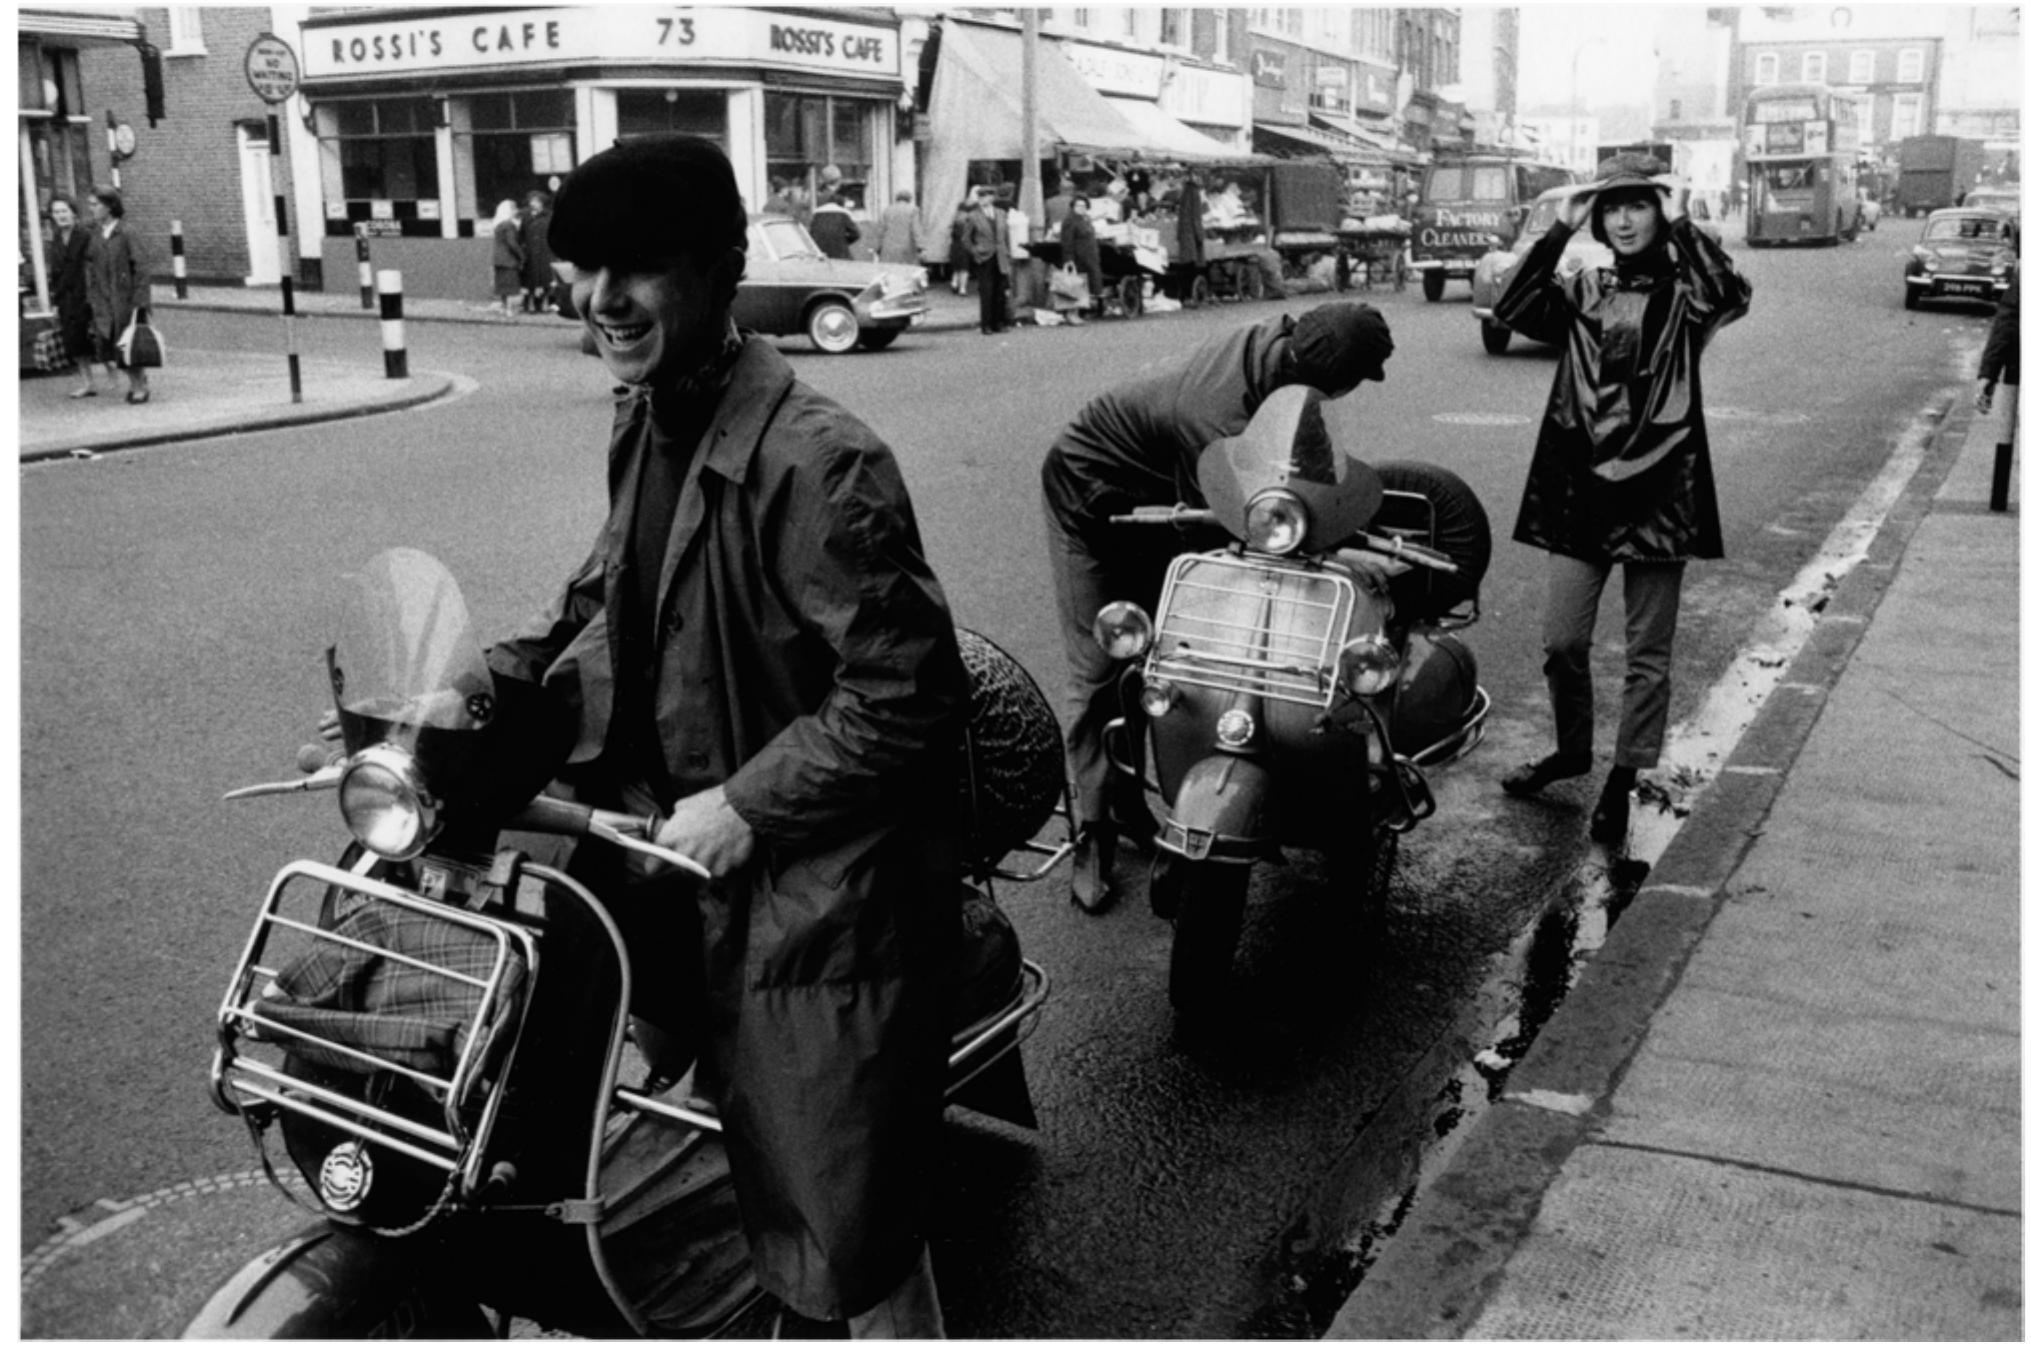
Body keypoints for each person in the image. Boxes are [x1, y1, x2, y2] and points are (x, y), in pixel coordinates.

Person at [485, 135, 965, 1338]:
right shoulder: (647, 418)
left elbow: (905, 693)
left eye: (636, 268)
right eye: (584, 269)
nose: (604, 300)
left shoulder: (822, 461)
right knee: (527, 1084)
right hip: (671, 856)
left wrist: (748, 805)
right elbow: (603, 599)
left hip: (814, 894)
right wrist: (469, 697)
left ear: (720, 267)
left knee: (841, 1235)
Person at [1039, 303, 1396, 909]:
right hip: (1093, 501)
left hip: (1163, 498)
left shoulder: (1283, 357)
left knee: (1173, 658)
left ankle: (1135, 805)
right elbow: (1244, 524)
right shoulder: (1215, 414)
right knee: (1105, 668)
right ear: (1332, 375)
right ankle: (1092, 831)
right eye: (1355, 383)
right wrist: (1339, 556)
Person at [1492, 152, 1752, 845]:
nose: (1624, 217)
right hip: (1581, 488)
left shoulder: (1686, 293)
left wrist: (1684, 225)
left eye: (1638, 204)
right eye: (1612, 207)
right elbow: (1514, 306)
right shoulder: (1583, 284)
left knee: (1647, 653)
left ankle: (1620, 777)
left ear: (1658, 213)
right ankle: (1572, 749)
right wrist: (1556, 231)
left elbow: (1728, 293)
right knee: (1561, 640)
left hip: (1660, 489)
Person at [84, 188, 149, 404]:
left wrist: (140, 303)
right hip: (103, 301)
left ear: (109, 206)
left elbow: (141, 268)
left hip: (125, 300)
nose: (91, 209)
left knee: (130, 343)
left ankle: (139, 386)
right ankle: (137, 381)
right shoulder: (96, 234)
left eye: (95, 204)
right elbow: (91, 265)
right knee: (113, 346)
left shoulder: (127, 232)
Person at [48, 196, 103, 399]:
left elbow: (95, 265)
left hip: (86, 294)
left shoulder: (85, 235)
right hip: (66, 298)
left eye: (64, 211)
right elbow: (55, 272)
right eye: (56, 212)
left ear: (73, 212)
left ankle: (119, 374)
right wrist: (55, 300)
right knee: (75, 340)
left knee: (100, 337)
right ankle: (88, 382)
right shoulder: (55, 238)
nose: (61, 216)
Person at [963, 186, 1013, 334]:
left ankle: (1000, 323)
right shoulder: (973, 216)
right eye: (982, 197)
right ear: (979, 199)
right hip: (984, 257)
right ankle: (986, 324)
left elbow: (1006, 235)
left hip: (1000, 256)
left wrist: (1007, 252)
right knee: (987, 291)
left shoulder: (1001, 213)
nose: (986, 199)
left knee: (1001, 291)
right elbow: (966, 239)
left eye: (989, 196)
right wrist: (975, 252)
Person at [1060, 193, 1104, 324]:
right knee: (1075, 285)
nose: (1081, 207)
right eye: (1078, 205)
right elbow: (1067, 241)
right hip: (1078, 258)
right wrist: (1069, 259)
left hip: (1089, 257)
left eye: (1084, 205)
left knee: (1083, 286)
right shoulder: (1070, 220)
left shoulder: (1085, 218)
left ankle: (1079, 313)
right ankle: (1072, 314)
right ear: (1073, 206)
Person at [1172, 169, 1208, 307]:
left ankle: (1184, 295)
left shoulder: (1185, 193)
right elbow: (1196, 217)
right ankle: (1189, 295)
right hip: (1190, 234)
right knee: (1192, 265)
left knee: (1185, 265)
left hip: (1184, 233)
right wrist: (1200, 236)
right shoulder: (1194, 194)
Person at [519, 190, 554, 313]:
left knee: (543, 280)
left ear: (541, 203)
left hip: (544, 253)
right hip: (530, 254)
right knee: (529, 280)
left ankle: (541, 305)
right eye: (531, 201)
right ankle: (527, 305)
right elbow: (521, 234)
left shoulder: (549, 216)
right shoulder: (526, 216)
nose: (533, 203)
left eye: (536, 201)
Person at [869, 189, 924, 265]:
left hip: (888, 247)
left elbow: (881, 230)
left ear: (897, 199)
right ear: (909, 199)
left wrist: (877, 247)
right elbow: (916, 229)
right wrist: (920, 246)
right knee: (906, 271)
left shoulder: (887, 210)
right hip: (907, 247)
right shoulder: (913, 210)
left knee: (890, 270)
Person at [489, 199, 524, 316]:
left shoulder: (498, 224)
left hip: (498, 260)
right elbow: (512, 243)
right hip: (508, 260)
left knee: (502, 287)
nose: (516, 211)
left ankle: (503, 308)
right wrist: (521, 255)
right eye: (514, 208)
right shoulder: (509, 225)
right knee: (511, 286)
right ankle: (510, 309)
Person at [810, 190, 861, 260]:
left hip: (820, 253)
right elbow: (856, 234)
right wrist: (844, 241)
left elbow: (811, 234)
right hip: (840, 252)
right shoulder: (843, 213)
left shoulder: (817, 213)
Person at [946, 196, 975, 295]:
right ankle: (962, 288)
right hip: (965, 246)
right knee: (965, 269)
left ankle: (954, 283)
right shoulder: (969, 220)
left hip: (955, 245)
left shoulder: (955, 219)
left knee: (957, 267)